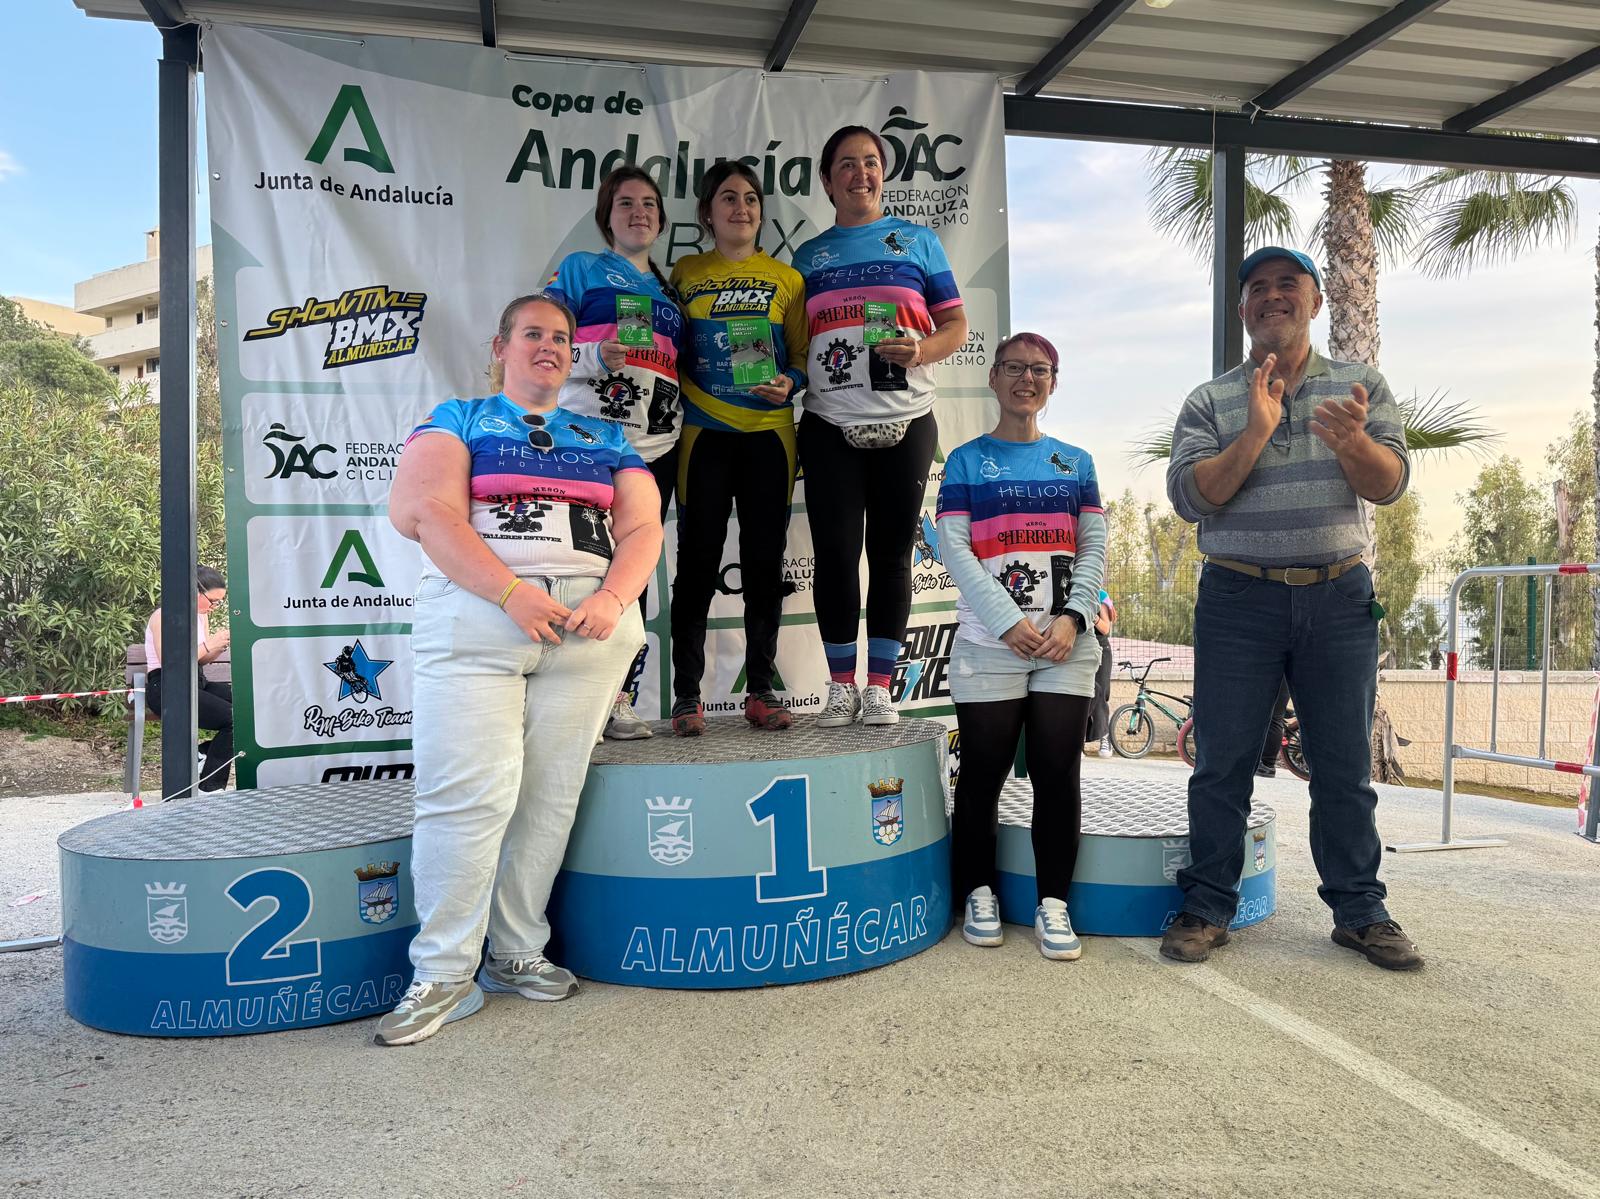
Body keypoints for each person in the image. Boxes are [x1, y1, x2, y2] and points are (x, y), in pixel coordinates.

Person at [376, 294, 662, 1046]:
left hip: (588, 628)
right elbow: (424, 510)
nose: (549, 346)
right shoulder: (459, 417)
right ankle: (443, 972)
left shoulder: (605, 434)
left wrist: (614, 597)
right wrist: (510, 593)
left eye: (561, 337)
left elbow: (642, 525)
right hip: (481, 617)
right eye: (532, 333)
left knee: (548, 797)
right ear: (500, 346)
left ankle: (514, 952)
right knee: (465, 797)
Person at [1162, 246, 1420, 971]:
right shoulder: (1210, 400)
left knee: (1343, 767)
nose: (1273, 296)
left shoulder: (1360, 386)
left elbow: (1390, 483)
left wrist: (1354, 443)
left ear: (1315, 301)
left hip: (1339, 597)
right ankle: (1207, 905)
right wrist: (1255, 430)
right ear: (1243, 309)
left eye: (1288, 284)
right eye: (1259, 288)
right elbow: (1190, 497)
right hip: (1237, 598)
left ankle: (1360, 910)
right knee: (1222, 763)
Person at [792, 125, 969, 728]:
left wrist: (920, 351)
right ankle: (841, 686)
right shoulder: (807, 257)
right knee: (835, 555)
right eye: (846, 164)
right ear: (827, 180)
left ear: (883, 174)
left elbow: (955, 326)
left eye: (870, 162)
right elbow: (796, 343)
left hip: (907, 420)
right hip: (828, 422)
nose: (860, 173)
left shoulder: (918, 242)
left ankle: (879, 688)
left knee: (892, 557)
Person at [937, 332, 1106, 961]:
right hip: (991, 642)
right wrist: (1007, 621)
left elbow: (1093, 547)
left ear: (1053, 382)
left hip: (1065, 644)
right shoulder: (965, 461)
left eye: (1039, 370)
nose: (1025, 379)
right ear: (993, 378)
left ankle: (1052, 903)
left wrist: (1074, 618)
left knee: (1058, 775)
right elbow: (955, 549)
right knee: (982, 773)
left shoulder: (1076, 463)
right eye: (1013, 367)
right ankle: (979, 892)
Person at [666, 162, 809, 735]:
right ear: (707, 212)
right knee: (696, 566)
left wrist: (791, 382)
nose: (741, 208)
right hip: (703, 433)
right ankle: (686, 697)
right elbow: (668, 347)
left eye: (751, 198)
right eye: (728, 198)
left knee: (764, 566)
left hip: (769, 435)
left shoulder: (786, 279)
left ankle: (760, 691)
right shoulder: (685, 272)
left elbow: (802, 357)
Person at [544, 165, 684, 740]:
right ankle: (572, 699)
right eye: (626, 203)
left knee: (633, 573)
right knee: (580, 565)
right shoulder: (580, 267)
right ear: (607, 216)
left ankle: (619, 700)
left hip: (656, 448)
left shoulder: (670, 291)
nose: (638, 212)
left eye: (649, 203)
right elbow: (546, 343)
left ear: (661, 220)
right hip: (589, 442)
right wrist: (594, 357)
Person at [143, 565, 233, 793]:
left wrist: (219, 647)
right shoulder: (164, 616)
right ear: (195, 591)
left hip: (196, 680)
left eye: (218, 603)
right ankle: (210, 787)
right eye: (212, 601)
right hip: (167, 685)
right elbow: (171, 662)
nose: (214, 608)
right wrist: (208, 645)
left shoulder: (201, 617)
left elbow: (201, 659)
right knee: (232, 719)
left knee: (249, 710)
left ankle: (202, 753)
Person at [1086, 589, 1116, 757]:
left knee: (1101, 692)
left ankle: (1104, 737)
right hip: (1081, 648)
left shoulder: (1100, 595)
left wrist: (1091, 615)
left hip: (1101, 648)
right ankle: (1079, 741)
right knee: (1083, 695)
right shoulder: (1071, 592)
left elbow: (1105, 628)